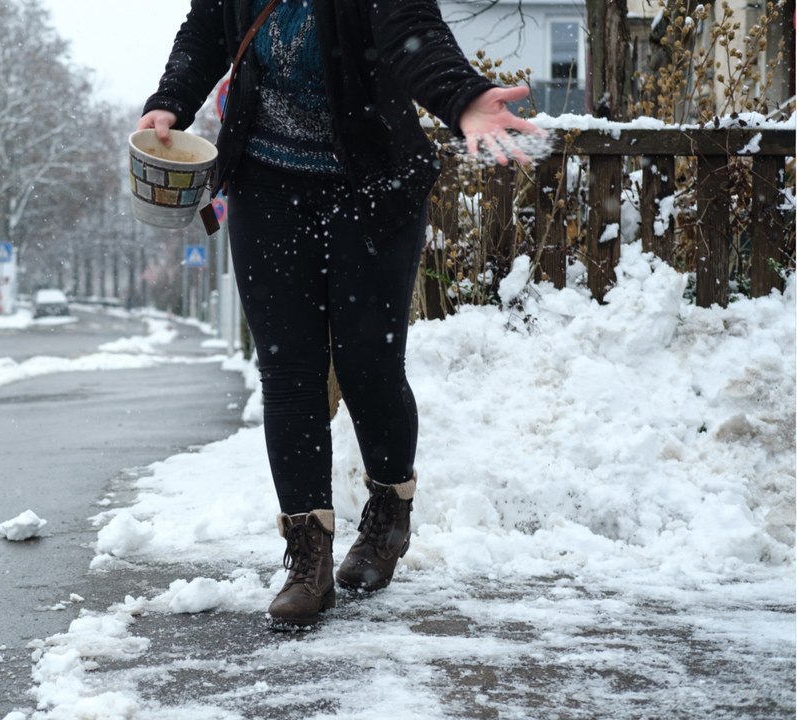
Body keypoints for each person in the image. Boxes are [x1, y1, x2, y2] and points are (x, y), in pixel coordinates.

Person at [138, 0, 542, 627]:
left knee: (368, 365)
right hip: (267, 187)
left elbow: (413, 33)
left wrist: (463, 97)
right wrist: (170, 100)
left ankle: (387, 517)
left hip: (370, 185)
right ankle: (308, 561)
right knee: (288, 373)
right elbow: (206, 30)